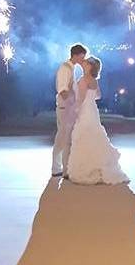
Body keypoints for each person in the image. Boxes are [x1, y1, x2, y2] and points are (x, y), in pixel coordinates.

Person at [67, 57, 129, 185]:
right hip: (92, 109)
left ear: (90, 67)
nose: (84, 64)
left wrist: (74, 111)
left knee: (84, 135)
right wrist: (90, 97)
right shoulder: (94, 80)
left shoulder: (83, 80)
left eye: (86, 63)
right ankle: (97, 165)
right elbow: (98, 95)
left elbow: (80, 99)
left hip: (85, 110)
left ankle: (87, 169)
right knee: (94, 134)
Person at [51, 44, 87, 177]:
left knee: (64, 137)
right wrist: (71, 105)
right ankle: (60, 168)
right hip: (65, 107)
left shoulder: (71, 68)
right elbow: (63, 90)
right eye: (83, 55)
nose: (84, 58)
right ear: (76, 55)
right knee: (63, 138)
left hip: (67, 107)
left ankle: (60, 167)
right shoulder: (65, 68)